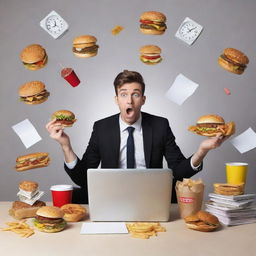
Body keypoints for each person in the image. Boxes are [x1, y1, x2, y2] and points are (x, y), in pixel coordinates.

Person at [46, 70, 227, 203]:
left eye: (135, 94)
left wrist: (202, 150)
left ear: (143, 100)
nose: (129, 100)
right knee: (73, 196)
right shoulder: (102, 127)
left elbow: (179, 172)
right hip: (110, 196)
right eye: (123, 94)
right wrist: (65, 146)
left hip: (151, 196)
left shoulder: (160, 125)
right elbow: (82, 178)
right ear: (116, 99)